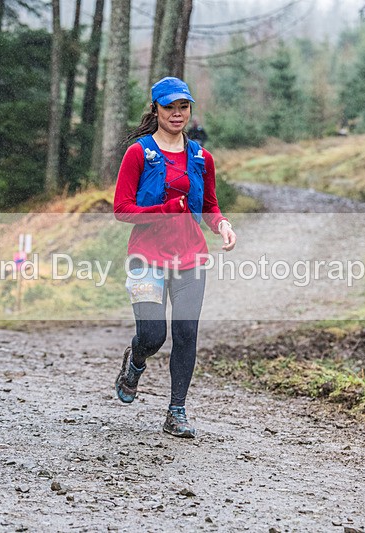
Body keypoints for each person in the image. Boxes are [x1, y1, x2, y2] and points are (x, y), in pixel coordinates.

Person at [112, 76, 236, 438]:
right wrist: (165, 209)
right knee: (153, 335)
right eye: (169, 107)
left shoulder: (201, 157)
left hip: (190, 258)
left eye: (183, 107)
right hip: (146, 257)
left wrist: (223, 225)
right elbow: (122, 210)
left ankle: (176, 411)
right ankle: (136, 361)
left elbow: (210, 206)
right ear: (156, 109)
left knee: (186, 332)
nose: (177, 113)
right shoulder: (139, 153)